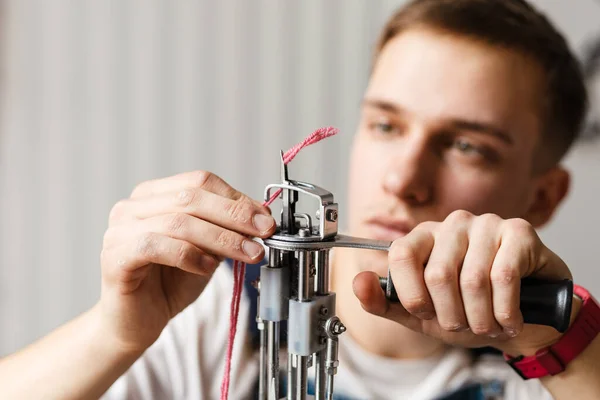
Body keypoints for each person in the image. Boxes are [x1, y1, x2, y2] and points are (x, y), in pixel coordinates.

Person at [1, 0, 598, 399]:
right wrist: (113, 332)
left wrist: (556, 345)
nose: (402, 180)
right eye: (387, 126)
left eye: (467, 145)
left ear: (544, 196)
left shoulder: (549, 361)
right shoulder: (213, 317)